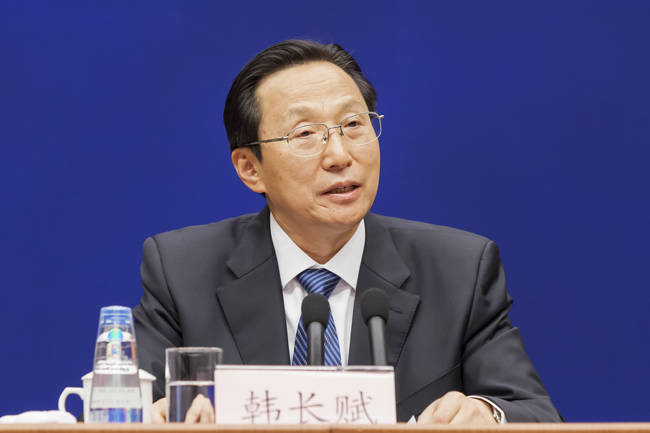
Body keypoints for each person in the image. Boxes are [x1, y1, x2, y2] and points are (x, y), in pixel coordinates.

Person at [133, 39, 561, 424]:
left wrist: (486, 414)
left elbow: (535, 413)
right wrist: (148, 416)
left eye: (354, 124)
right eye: (305, 134)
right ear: (250, 168)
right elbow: (127, 410)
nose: (339, 155)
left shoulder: (459, 270)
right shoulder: (182, 272)